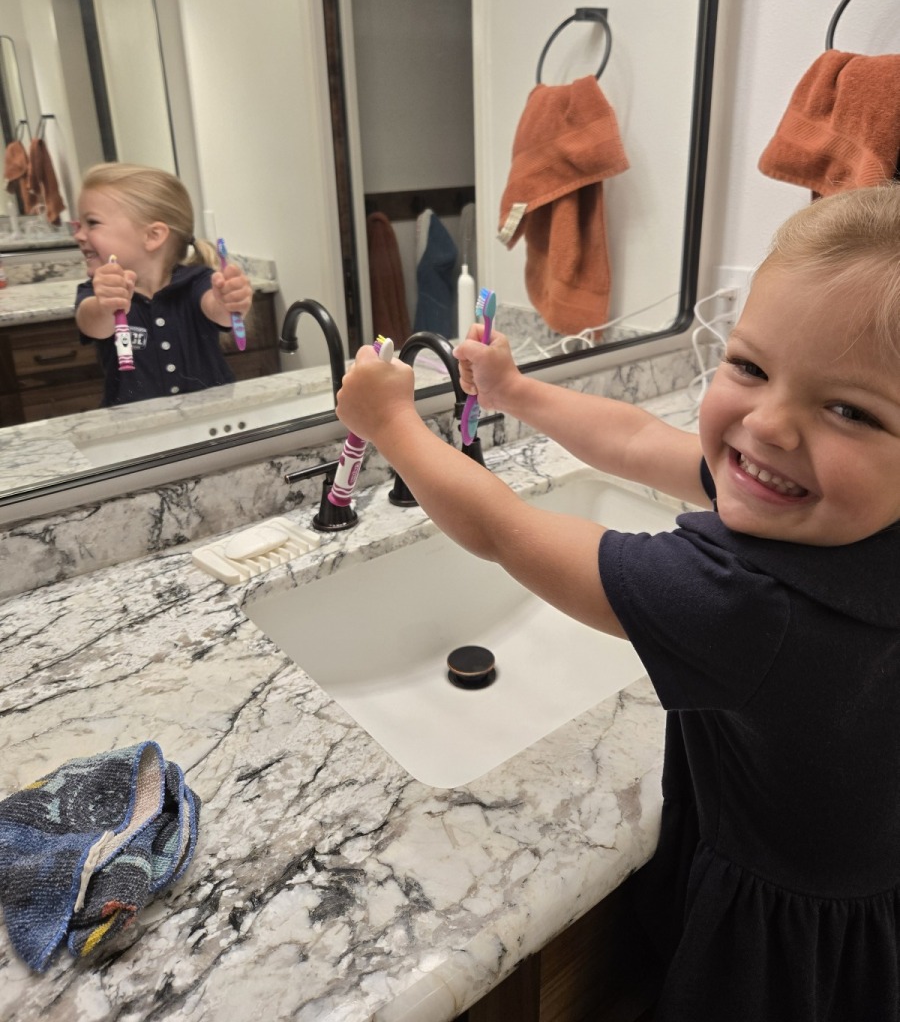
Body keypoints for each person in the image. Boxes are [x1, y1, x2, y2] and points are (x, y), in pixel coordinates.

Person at [335, 183, 900, 1022]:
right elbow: (640, 441)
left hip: (770, 950)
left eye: (849, 410)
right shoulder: (845, 509)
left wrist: (391, 426)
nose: (770, 426)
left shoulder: (744, 604)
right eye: (749, 367)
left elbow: (503, 530)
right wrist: (515, 391)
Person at [73, 163, 252, 407]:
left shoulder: (196, 282)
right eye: (79, 225)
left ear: (153, 236)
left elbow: (217, 311)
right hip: (136, 425)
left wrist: (229, 301)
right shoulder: (96, 293)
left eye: (92, 223)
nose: (79, 235)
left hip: (212, 418)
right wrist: (105, 307)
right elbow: (92, 323)